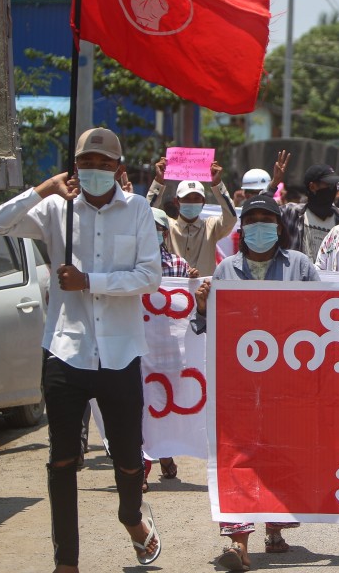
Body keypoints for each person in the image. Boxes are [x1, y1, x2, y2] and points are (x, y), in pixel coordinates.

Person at [0, 127, 162, 571]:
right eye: (87, 162)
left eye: (105, 164)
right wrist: (42, 188)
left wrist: (90, 282)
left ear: (119, 168)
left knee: (126, 456)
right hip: (65, 349)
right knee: (62, 460)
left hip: (120, 354)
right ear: (75, 166)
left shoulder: (137, 209)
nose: (96, 170)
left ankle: (131, 517)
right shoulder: (55, 207)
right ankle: (67, 561)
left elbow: (149, 277)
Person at [191, 194, 319, 571]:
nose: (259, 226)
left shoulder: (301, 266)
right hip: (240, 386)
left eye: (267, 219)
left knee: (279, 454)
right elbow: (205, 327)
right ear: (242, 228)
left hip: (287, 383)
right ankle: (238, 541)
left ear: (279, 226)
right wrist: (203, 306)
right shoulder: (225, 271)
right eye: (252, 220)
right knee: (238, 458)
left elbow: (324, 314)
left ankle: (275, 526)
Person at [143, 208, 200, 490]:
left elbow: (185, 299)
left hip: (170, 350)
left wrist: (193, 281)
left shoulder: (178, 265)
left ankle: (164, 455)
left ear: (164, 233)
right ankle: (140, 466)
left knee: (163, 405)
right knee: (140, 405)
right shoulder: (129, 265)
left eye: (155, 228)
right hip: (141, 349)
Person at [147, 156, 237, 276]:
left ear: (203, 202)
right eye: (187, 198)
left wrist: (218, 185)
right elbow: (147, 214)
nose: (191, 202)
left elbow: (231, 218)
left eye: (196, 198)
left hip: (205, 290)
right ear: (176, 202)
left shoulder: (211, 227)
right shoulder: (167, 227)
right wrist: (158, 182)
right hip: (173, 290)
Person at [280, 163, 339, 258]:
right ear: (312, 187)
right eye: (328, 185)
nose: (332, 189)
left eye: (335, 185)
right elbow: (260, 213)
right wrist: (273, 185)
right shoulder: (291, 213)